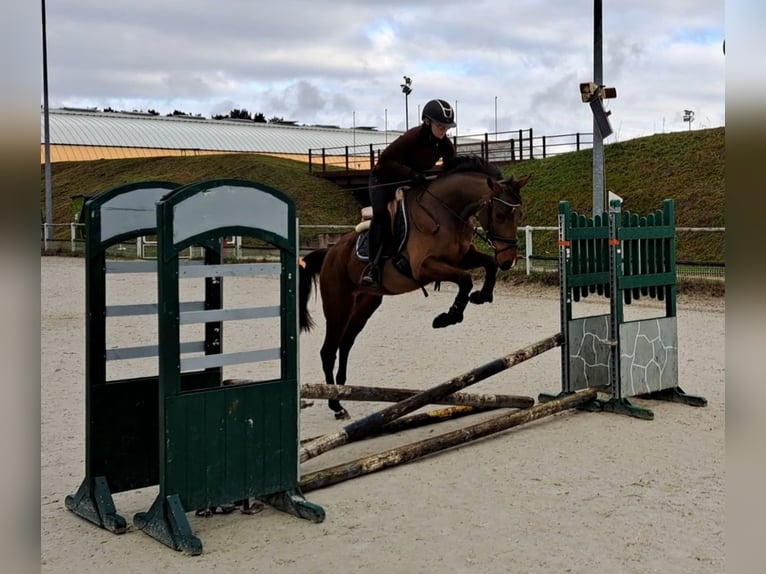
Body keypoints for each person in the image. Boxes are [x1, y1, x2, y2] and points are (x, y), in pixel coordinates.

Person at [360, 98, 457, 288]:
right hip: (383, 180)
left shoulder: (445, 145)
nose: (443, 131)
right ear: (427, 122)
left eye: (446, 127)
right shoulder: (411, 138)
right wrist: (411, 173)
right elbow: (385, 160)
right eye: (440, 126)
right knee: (382, 216)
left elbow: (450, 169)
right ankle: (373, 267)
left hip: (411, 183)